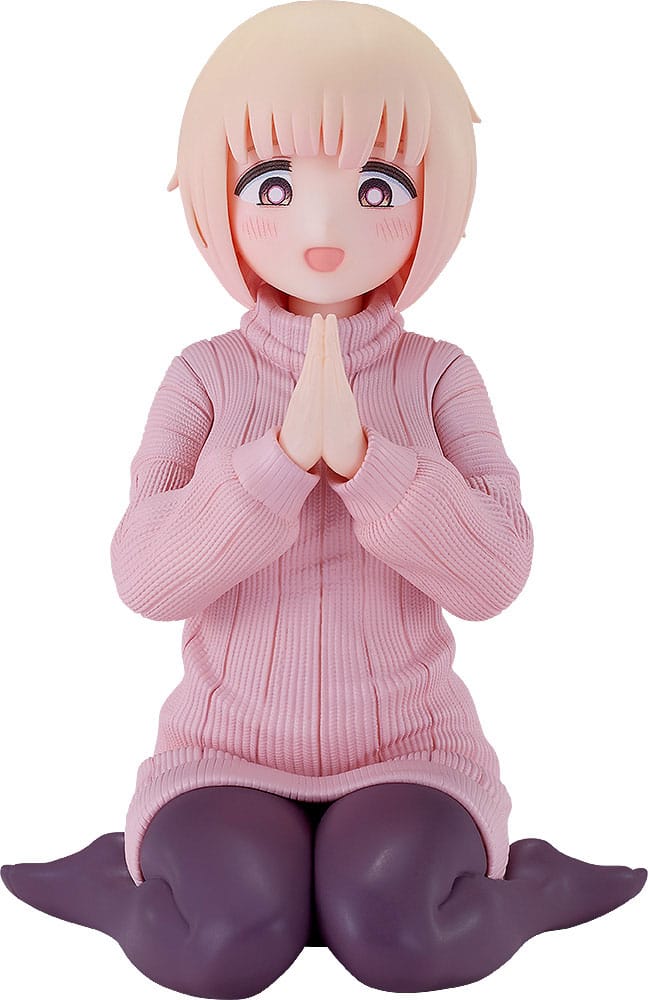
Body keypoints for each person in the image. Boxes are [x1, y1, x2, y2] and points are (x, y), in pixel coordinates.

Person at [2, 4, 645, 997]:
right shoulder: (204, 376)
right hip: (224, 754)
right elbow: (144, 575)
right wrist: (278, 461)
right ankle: (115, 884)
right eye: (275, 184)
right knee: (226, 942)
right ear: (218, 199)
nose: (324, 227)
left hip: (410, 755)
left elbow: (496, 574)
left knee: (397, 936)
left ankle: (530, 890)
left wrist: (367, 461)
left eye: (377, 185)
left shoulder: (439, 376)